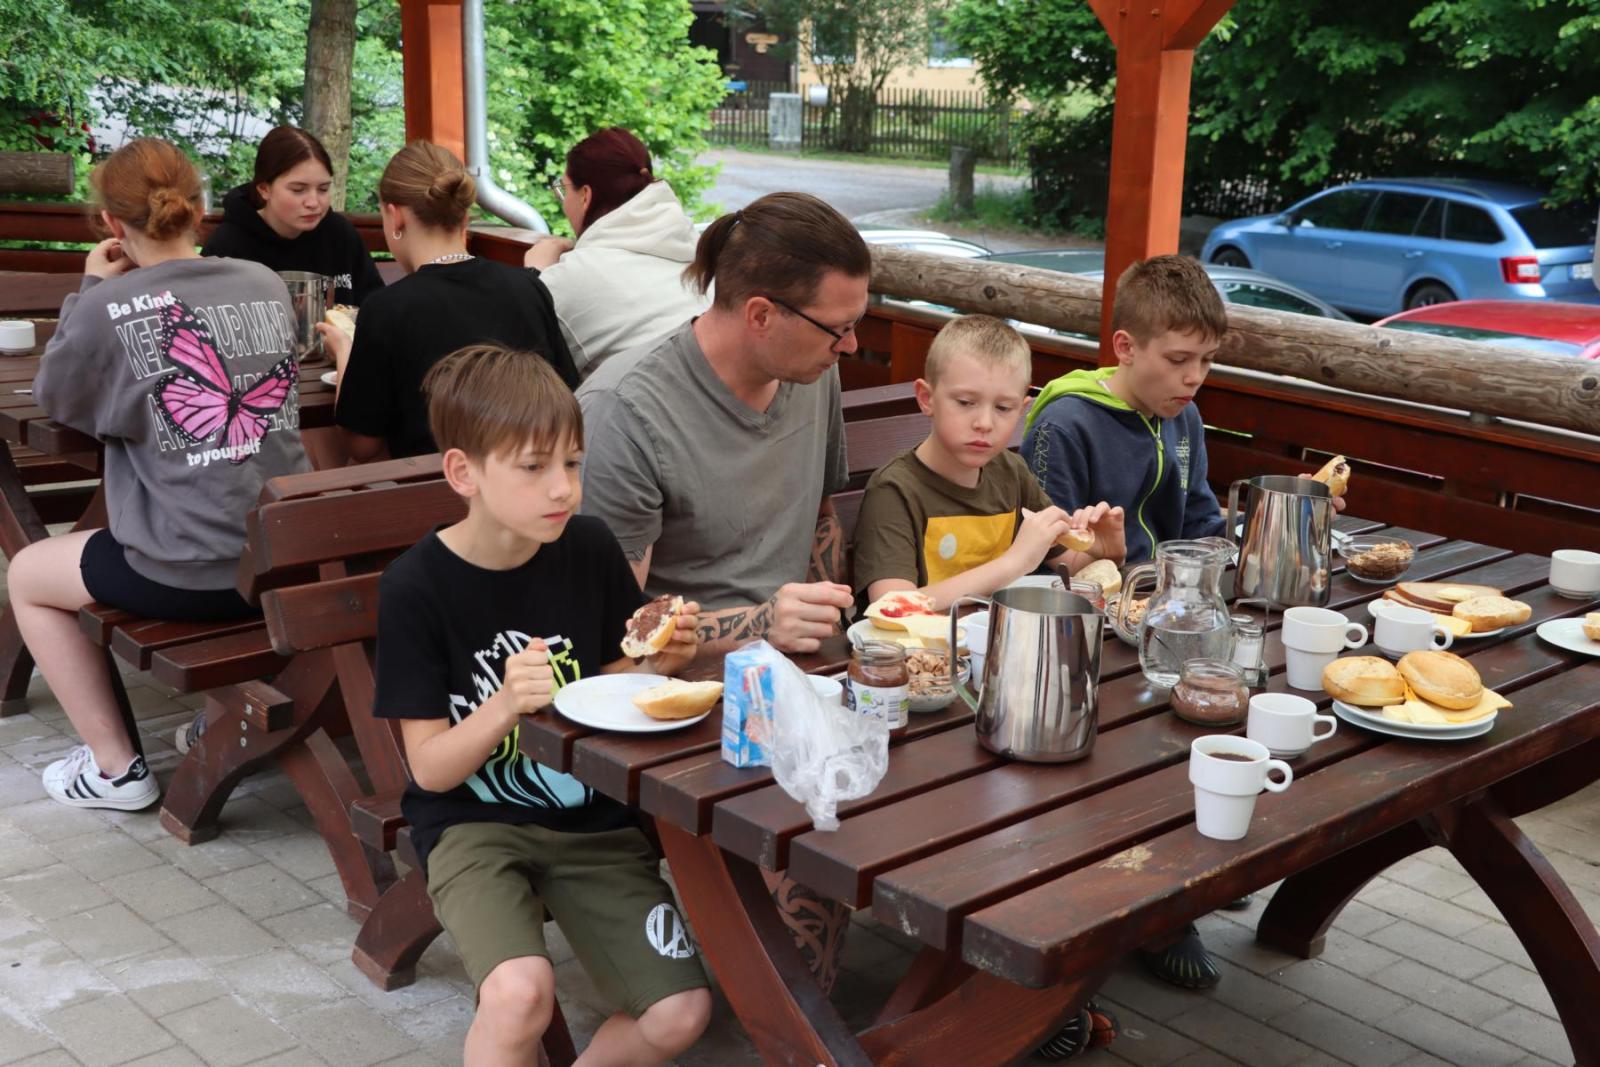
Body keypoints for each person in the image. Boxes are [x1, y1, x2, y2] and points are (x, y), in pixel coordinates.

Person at [373, 343, 711, 1065]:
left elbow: (608, 681)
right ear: (463, 472)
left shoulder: (588, 546)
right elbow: (428, 769)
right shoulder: (415, 588)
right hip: (473, 824)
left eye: (573, 463)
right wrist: (503, 706)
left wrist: (658, 661)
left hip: (592, 820)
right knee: (519, 994)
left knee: (681, 1013)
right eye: (534, 467)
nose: (564, 488)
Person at [578, 191, 867, 991]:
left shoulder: (809, 370)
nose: (851, 344)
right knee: (814, 851)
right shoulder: (626, 412)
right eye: (838, 327)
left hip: (806, 674)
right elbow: (620, 638)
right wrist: (764, 623)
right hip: (684, 708)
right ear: (762, 314)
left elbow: (817, 518)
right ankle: (803, 1027)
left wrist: (840, 638)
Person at [10, 138, 310, 811]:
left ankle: (116, 770)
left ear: (112, 224)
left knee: (27, 573)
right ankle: (211, 722)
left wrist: (92, 285)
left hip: (187, 574)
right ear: (199, 209)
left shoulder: (107, 306)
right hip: (281, 563)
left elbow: (58, 398)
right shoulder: (264, 282)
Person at [325, 141, 579, 461]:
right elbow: (569, 397)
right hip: (529, 477)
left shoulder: (386, 309)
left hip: (436, 488)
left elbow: (361, 446)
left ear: (395, 216)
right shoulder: (529, 287)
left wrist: (344, 352)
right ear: (464, 216)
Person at [852, 314, 1126, 610]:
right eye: (965, 402)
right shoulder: (894, 490)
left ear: (1021, 410)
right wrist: (1014, 562)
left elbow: (1069, 564)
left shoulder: (1012, 472)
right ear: (927, 398)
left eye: (1003, 407)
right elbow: (891, 605)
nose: (984, 422)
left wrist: (1106, 550)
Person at [522, 127, 708, 379]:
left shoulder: (574, 276)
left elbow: (525, 361)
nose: (563, 201)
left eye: (563, 189)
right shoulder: (699, 254)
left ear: (585, 195)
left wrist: (536, 276)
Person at [201, 125, 385, 306]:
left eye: (323, 189)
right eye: (298, 190)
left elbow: (374, 305)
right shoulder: (228, 245)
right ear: (264, 189)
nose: (313, 202)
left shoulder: (340, 234)